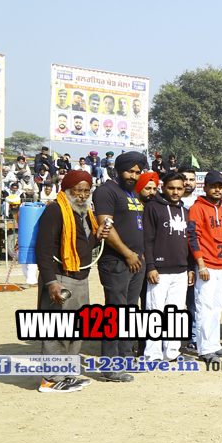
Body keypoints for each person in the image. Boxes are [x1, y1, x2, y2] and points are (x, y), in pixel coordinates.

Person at [33, 170, 104, 392]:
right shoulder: (55, 210)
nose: (82, 195)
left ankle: (68, 375)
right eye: (77, 190)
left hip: (80, 276)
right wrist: (51, 282)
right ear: (66, 190)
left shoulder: (85, 213)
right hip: (60, 277)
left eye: (86, 191)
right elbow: (43, 249)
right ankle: (51, 380)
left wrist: (97, 236)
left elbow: (83, 246)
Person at [92, 151, 149, 380]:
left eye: (137, 172)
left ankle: (126, 358)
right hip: (116, 261)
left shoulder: (133, 192)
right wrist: (127, 254)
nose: (133, 176)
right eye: (129, 171)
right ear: (118, 169)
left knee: (130, 312)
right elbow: (105, 226)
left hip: (136, 261)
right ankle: (110, 366)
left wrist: (139, 256)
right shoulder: (106, 191)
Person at [187, 171, 222, 361]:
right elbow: (193, 237)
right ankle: (204, 349)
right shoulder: (197, 208)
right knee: (204, 307)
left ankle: (214, 344)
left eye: (220, 186)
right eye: (213, 186)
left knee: (217, 307)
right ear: (205, 187)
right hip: (207, 264)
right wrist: (200, 264)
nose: (217, 189)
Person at [143, 171, 192, 361]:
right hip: (159, 270)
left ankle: (172, 352)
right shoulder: (152, 207)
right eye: (171, 188)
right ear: (163, 188)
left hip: (180, 270)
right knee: (154, 311)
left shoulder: (185, 211)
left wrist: (189, 268)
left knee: (176, 312)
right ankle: (152, 353)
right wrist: (150, 266)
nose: (175, 192)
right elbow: (147, 240)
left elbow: (188, 242)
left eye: (179, 188)